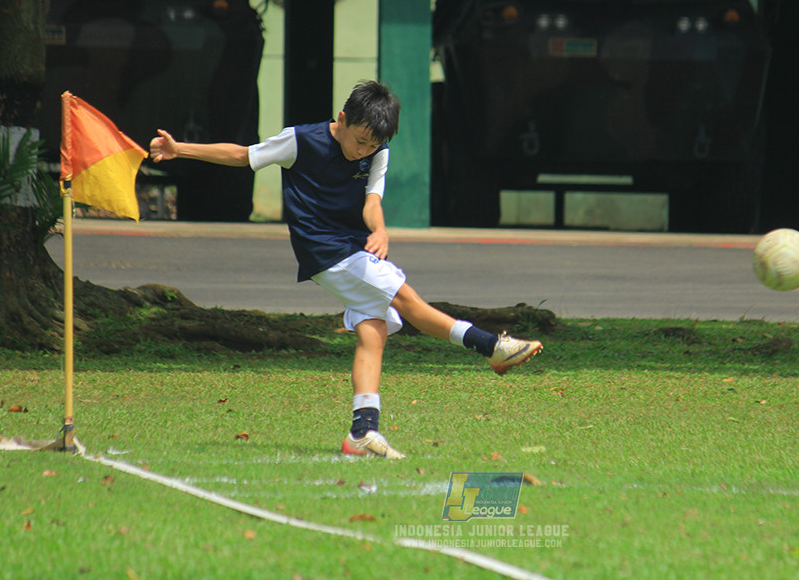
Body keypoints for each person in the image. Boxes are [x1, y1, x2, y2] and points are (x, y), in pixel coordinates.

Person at [149, 80, 542, 460]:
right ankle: (492, 347)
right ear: (341, 119)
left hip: (355, 248)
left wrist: (381, 230)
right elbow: (243, 155)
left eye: (373, 145)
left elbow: (372, 202)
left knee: (374, 331)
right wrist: (179, 148)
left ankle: (362, 432)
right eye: (359, 141)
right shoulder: (300, 140)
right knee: (405, 297)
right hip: (326, 250)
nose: (363, 151)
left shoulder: (377, 153)